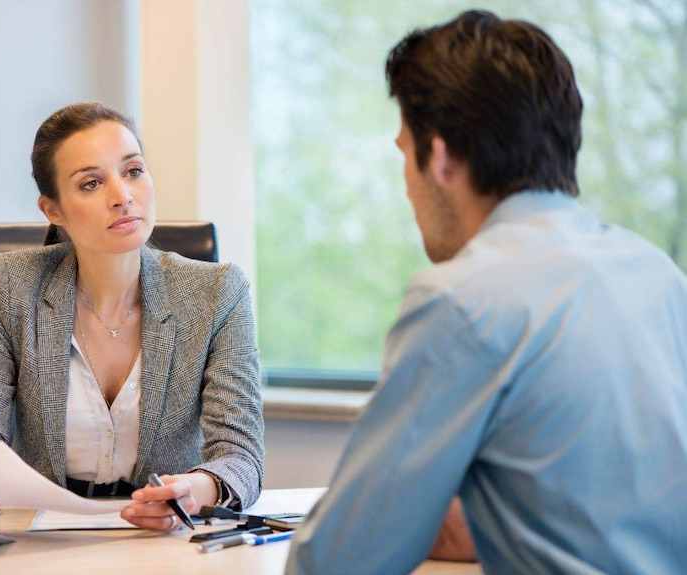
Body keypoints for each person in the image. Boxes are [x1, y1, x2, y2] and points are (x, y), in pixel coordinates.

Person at [286, 10, 687, 575]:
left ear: (441, 157)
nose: (406, 184)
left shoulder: (461, 301)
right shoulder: (657, 275)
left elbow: (337, 562)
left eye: (404, 153)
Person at [0, 103, 264, 531]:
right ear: (53, 210)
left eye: (133, 171)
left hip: (168, 539)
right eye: (91, 183)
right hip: (44, 536)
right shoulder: (10, 285)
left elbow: (241, 454)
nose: (122, 196)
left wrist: (194, 492)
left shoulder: (218, 292)